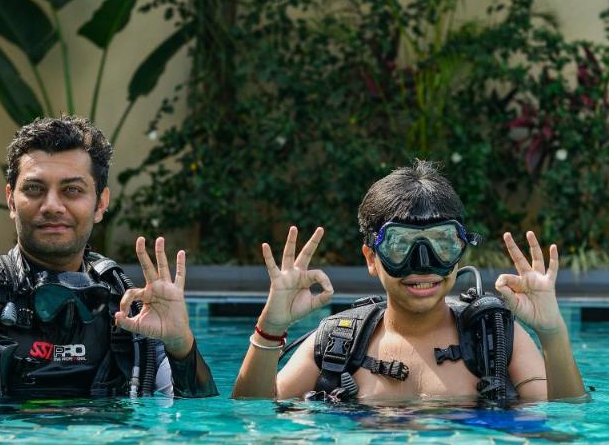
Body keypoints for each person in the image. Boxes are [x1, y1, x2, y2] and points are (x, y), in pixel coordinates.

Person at [0, 116, 216, 402]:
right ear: (11, 200)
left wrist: (181, 345)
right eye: (34, 188)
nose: (52, 205)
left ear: (101, 204)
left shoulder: (128, 308)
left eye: (72, 190)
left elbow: (195, 423)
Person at [231, 161, 585, 404]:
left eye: (441, 243)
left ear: (460, 252)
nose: (423, 265)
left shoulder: (494, 335)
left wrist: (552, 332)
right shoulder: (339, 341)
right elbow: (254, 415)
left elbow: (564, 421)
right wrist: (271, 327)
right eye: (401, 245)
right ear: (371, 258)